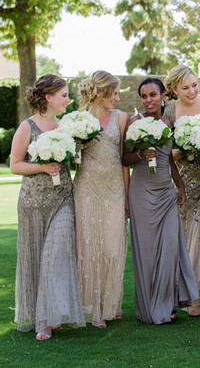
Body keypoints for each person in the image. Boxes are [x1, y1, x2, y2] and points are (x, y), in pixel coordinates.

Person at [10, 74, 85, 340]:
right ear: (48, 97)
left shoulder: (67, 125)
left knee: (55, 256)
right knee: (36, 258)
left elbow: (73, 163)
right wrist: (42, 166)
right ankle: (43, 317)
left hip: (63, 198)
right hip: (33, 201)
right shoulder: (27, 126)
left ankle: (48, 316)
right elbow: (15, 165)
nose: (68, 99)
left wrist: (76, 153)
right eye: (64, 95)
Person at [122, 77, 199, 325]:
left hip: (166, 191)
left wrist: (181, 184)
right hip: (142, 192)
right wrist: (140, 154)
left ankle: (167, 303)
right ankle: (150, 308)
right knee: (147, 251)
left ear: (163, 95)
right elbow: (124, 159)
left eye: (153, 95)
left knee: (169, 249)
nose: (148, 100)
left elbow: (169, 158)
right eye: (144, 96)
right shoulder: (135, 122)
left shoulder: (168, 122)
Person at [163, 65, 200, 315]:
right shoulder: (168, 111)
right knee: (188, 237)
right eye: (185, 87)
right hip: (183, 181)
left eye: (195, 85)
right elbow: (166, 154)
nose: (192, 91)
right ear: (174, 89)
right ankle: (192, 295)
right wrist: (187, 149)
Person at [74, 71, 130, 328]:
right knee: (89, 250)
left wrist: (127, 197)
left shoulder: (121, 118)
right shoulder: (79, 119)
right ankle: (94, 309)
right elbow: (73, 161)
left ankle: (111, 303)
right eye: (114, 93)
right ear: (99, 93)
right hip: (86, 188)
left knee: (112, 251)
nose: (118, 98)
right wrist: (75, 150)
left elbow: (124, 162)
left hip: (115, 189)